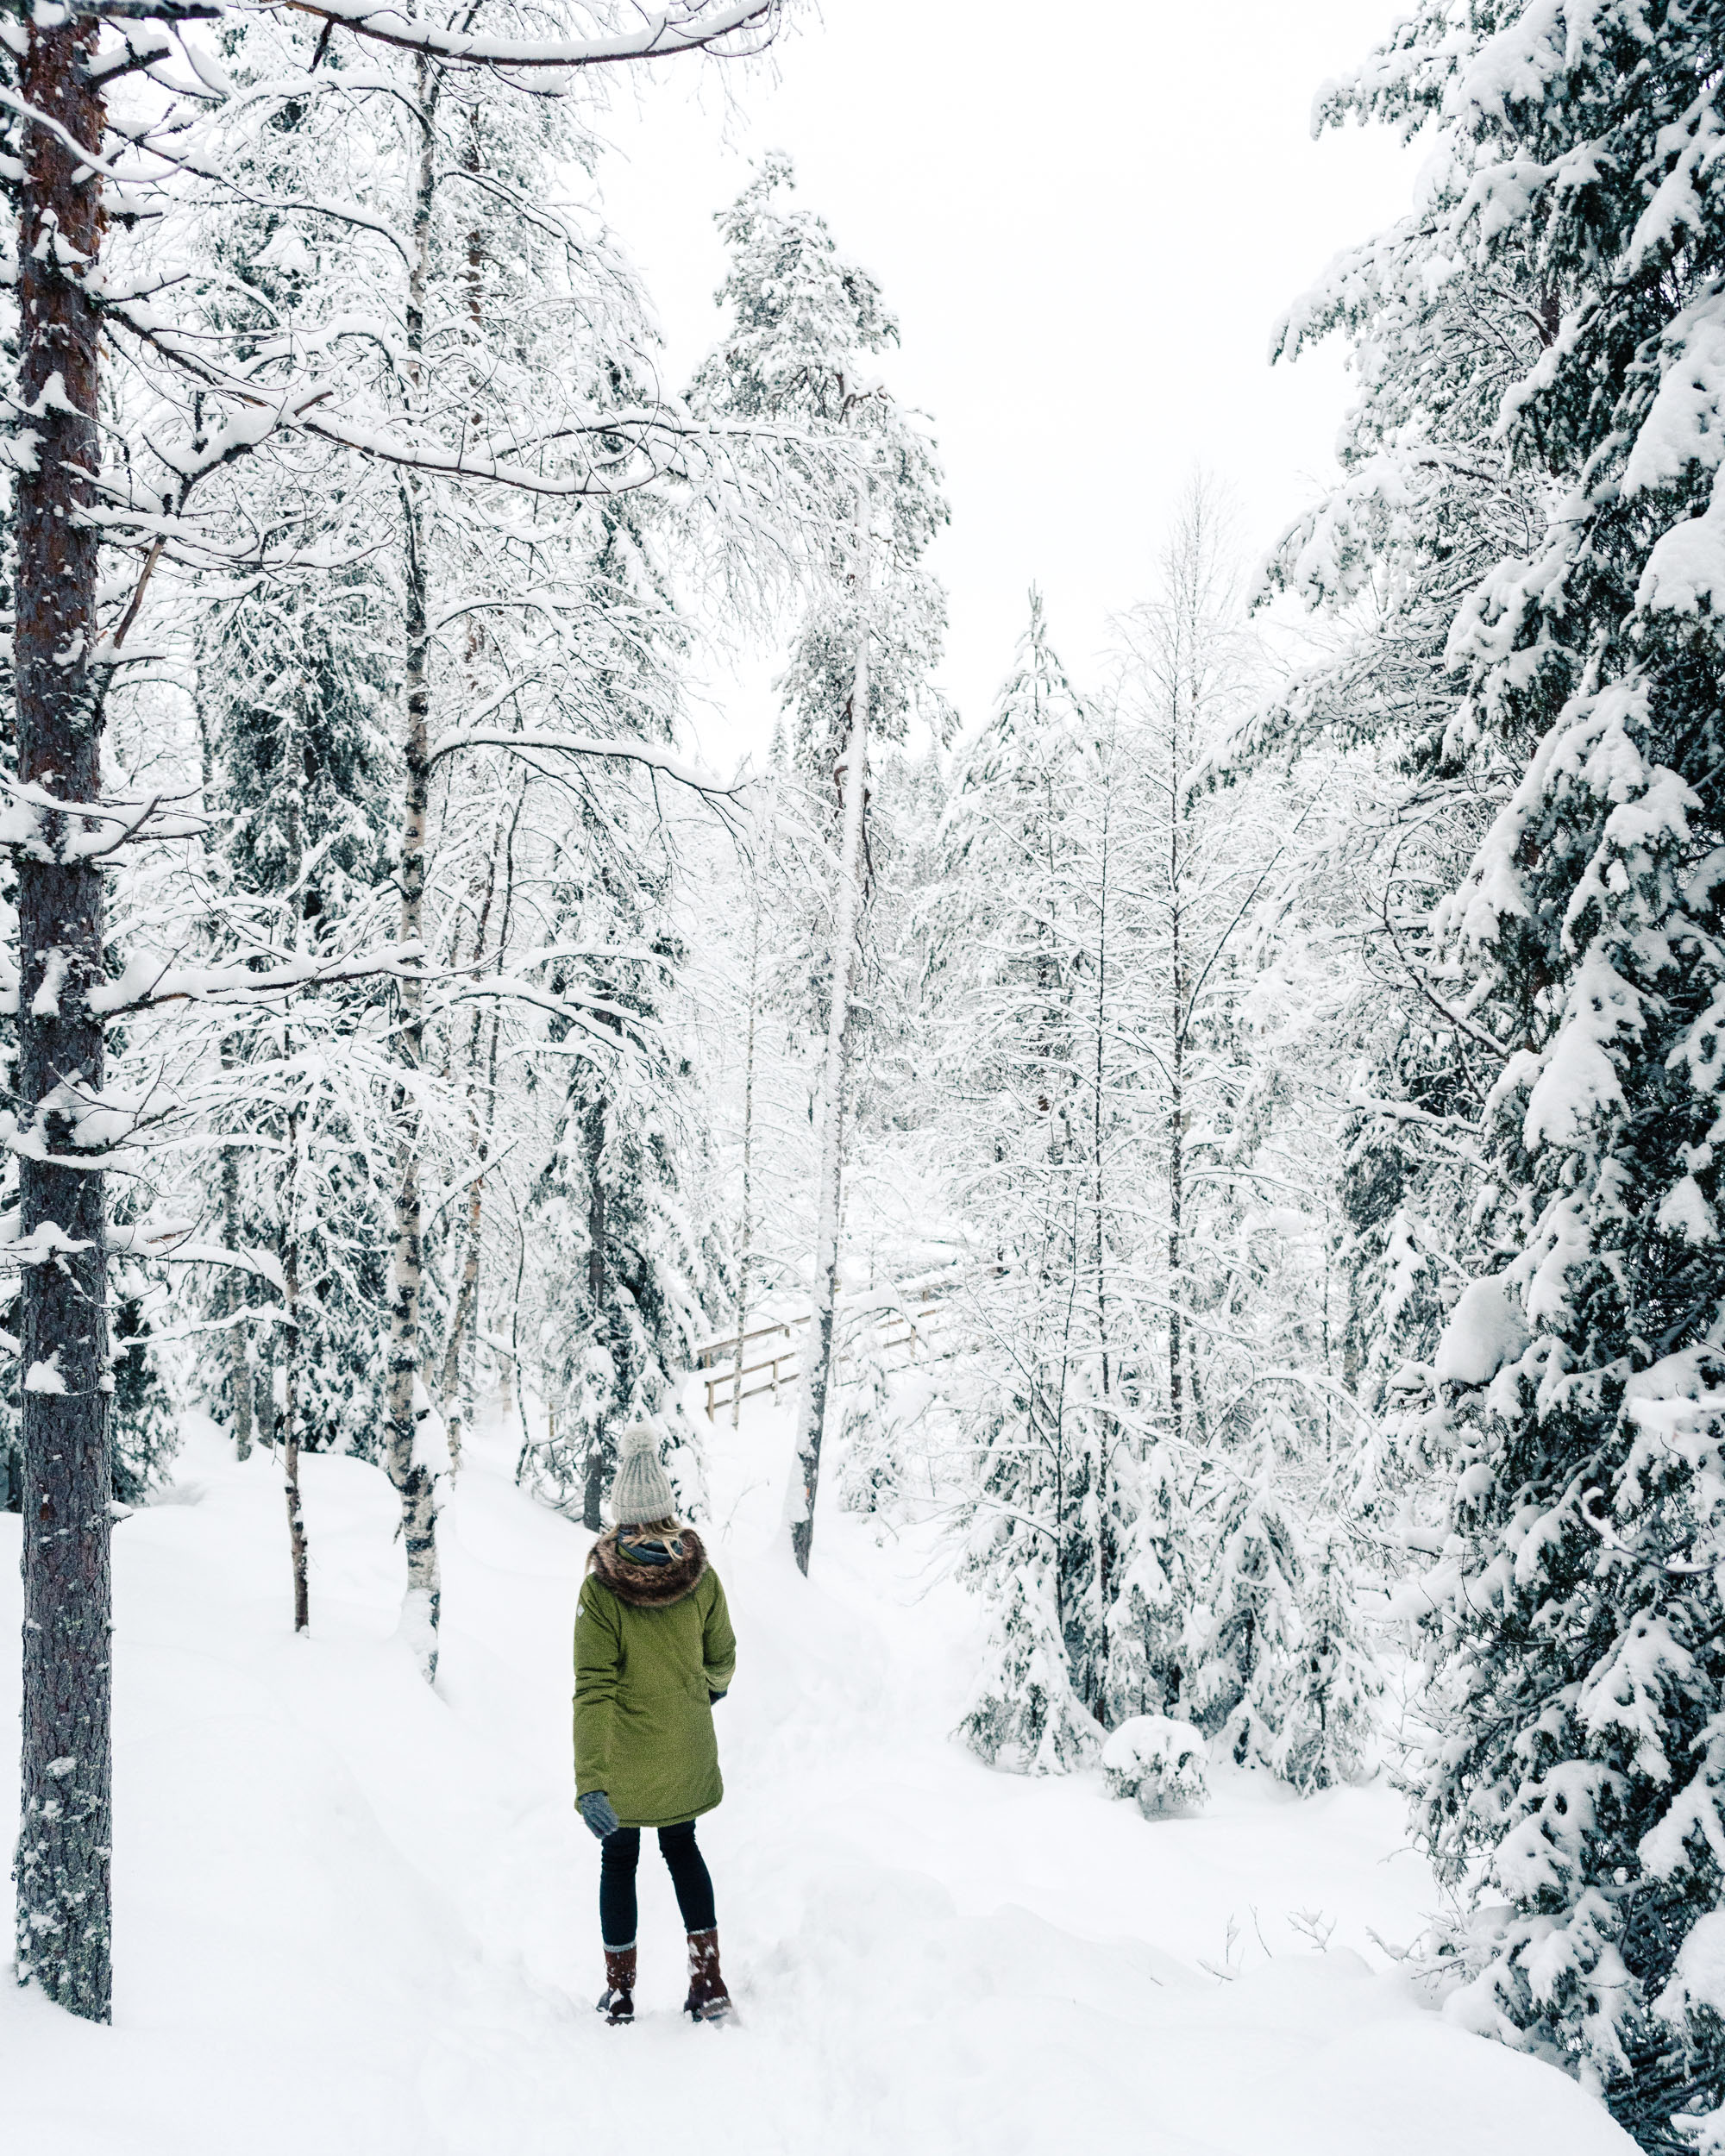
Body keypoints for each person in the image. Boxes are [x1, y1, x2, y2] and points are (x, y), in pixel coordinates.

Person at [574, 1422, 737, 2026]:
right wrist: (701, 1698)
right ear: (667, 1511)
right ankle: (709, 1981)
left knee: (620, 1862)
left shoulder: (601, 1592)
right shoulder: (702, 1579)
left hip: (620, 1759)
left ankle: (620, 1993)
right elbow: (723, 1659)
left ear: (621, 1515)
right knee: (683, 1849)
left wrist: (590, 1779)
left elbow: (592, 1690)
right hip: (686, 1749)